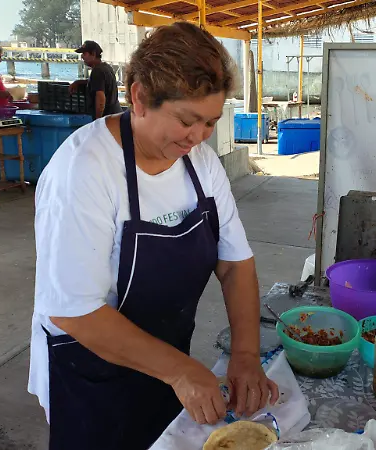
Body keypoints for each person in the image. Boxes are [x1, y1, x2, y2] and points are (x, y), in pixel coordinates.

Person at [28, 23, 277, 449]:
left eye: (210, 122)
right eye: (187, 120)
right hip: (90, 372)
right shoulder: (85, 171)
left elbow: (235, 265)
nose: (198, 137)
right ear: (139, 96)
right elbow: (74, 310)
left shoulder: (202, 165)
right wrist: (181, 371)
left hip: (166, 359)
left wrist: (246, 355)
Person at [71, 40, 121, 120]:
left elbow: (100, 98)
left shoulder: (97, 72)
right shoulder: (106, 67)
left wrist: (98, 121)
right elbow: (100, 84)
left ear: (93, 54)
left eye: (84, 53)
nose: (82, 56)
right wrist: (79, 82)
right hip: (115, 115)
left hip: (106, 119)